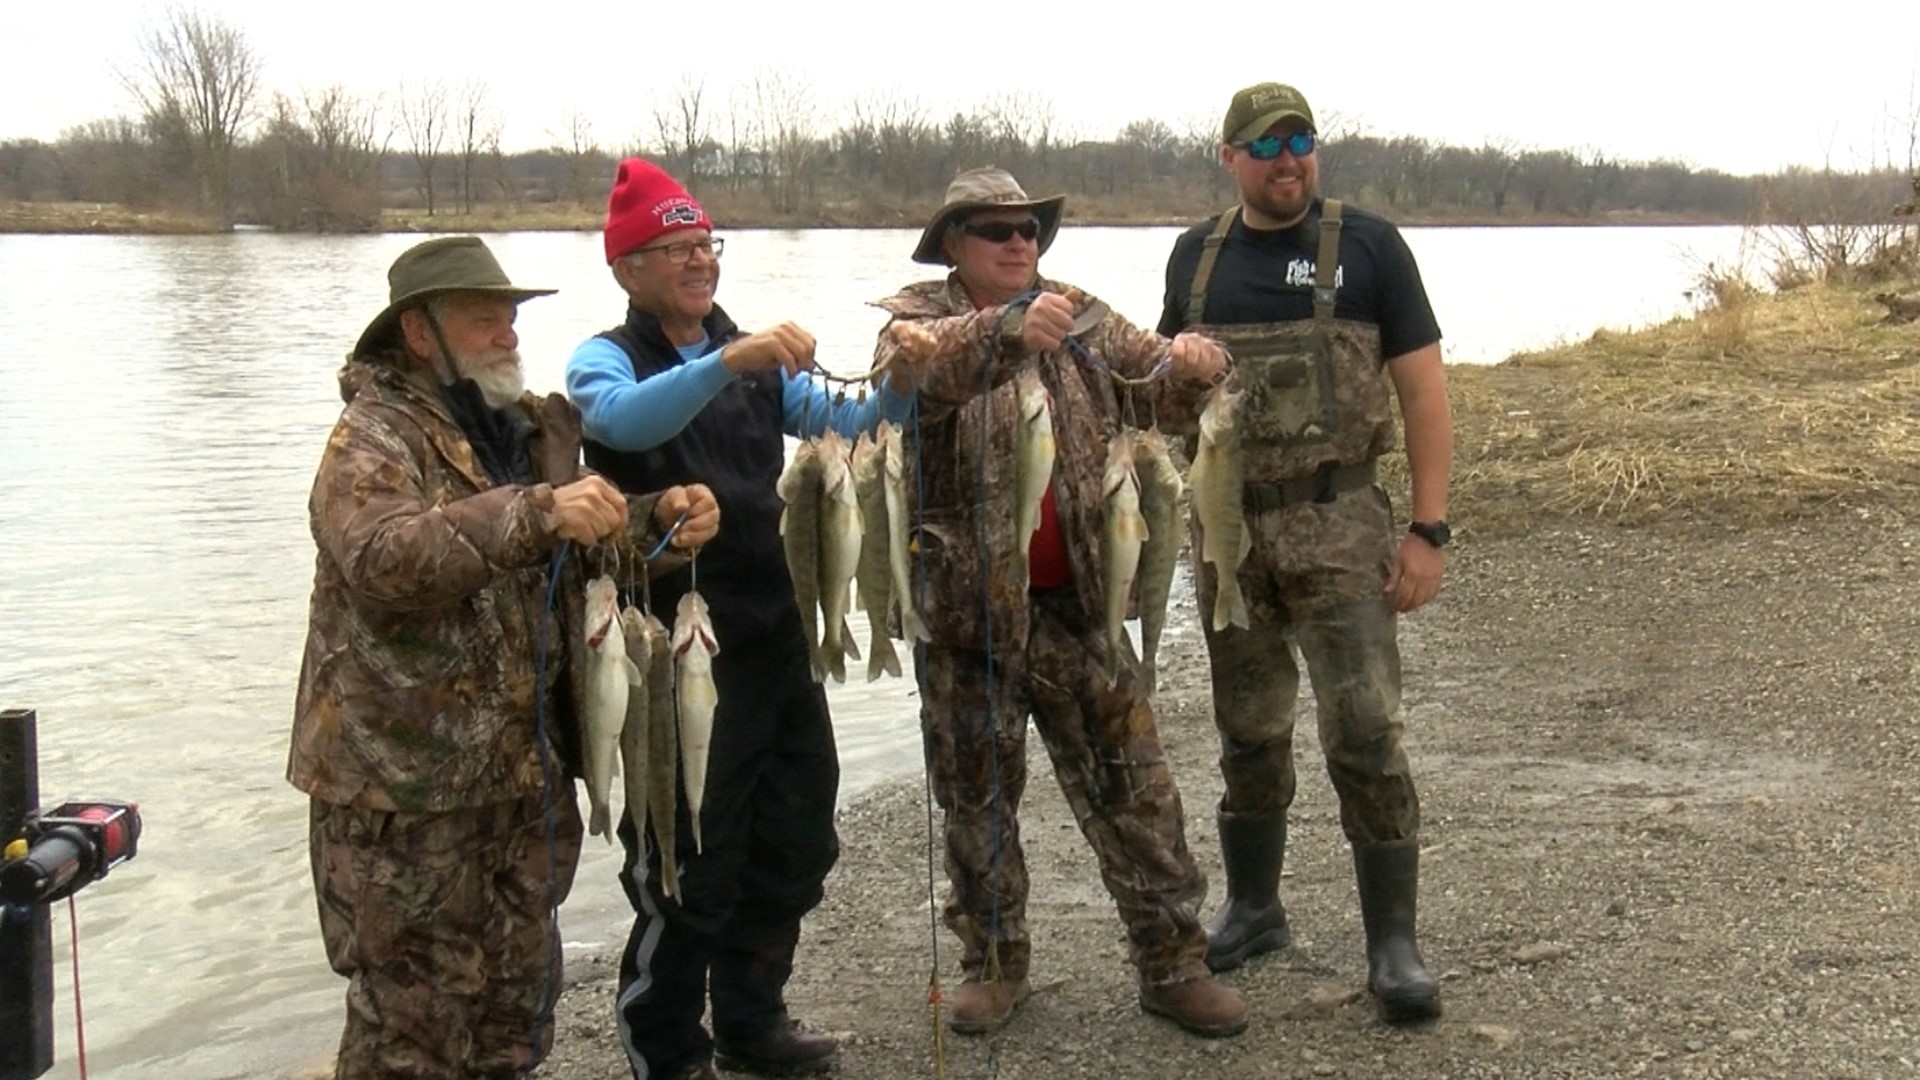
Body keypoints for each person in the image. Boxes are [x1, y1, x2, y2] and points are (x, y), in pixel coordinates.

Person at [290, 235, 721, 1079]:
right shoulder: (370, 437)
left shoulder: (527, 431)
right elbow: (383, 558)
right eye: (484, 320)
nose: (508, 335)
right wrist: (538, 511)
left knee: (517, 1015)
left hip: (524, 784)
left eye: (511, 318)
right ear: (420, 334)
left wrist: (658, 522)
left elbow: (576, 549)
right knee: (408, 1032)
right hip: (406, 806)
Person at [868, 166, 1248, 1039]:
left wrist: (1197, 365)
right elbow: (913, 378)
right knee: (976, 803)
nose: (1018, 243)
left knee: (1137, 790)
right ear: (955, 243)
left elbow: (1154, 385)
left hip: (1083, 602)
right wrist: (1006, 329)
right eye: (996, 230)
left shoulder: (1078, 311)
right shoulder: (915, 322)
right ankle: (993, 964)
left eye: (1029, 230)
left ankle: (1173, 961)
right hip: (967, 623)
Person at [565, 157, 918, 1080]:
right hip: (669, 653)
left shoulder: (759, 367)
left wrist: (907, 383)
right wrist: (732, 359)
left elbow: (850, 416)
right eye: (673, 248)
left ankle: (751, 1021)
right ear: (626, 266)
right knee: (686, 868)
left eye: (704, 245)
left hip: (775, 639)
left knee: (798, 840)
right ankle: (668, 1053)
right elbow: (623, 422)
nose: (697, 263)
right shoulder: (607, 358)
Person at [1158, 82, 1455, 1024]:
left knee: (1365, 730)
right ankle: (1254, 906)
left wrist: (1427, 529)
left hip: (1342, 527)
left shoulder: (1369, 245)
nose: (1288, 159)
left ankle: (1393, 944)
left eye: (1302, 140)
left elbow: (1425, 393)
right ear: (1230, 157)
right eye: (1266, 144)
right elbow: (1165, 404)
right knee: (1247, 725)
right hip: (1229, 535)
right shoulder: (1194, 262)